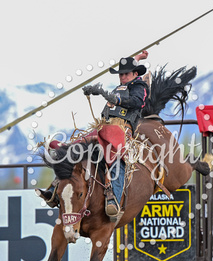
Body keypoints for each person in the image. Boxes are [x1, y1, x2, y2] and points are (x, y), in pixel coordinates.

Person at [37, 51, 149, 218]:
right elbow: (125, 78)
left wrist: (111, 97)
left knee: (115, 157)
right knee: (73, 151)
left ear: (134, 74)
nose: (122, 77)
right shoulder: (123, 87)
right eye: (121, 74)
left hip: (121, 130)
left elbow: (137, 102)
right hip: (103, 127)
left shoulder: (140, 87)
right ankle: (53, 189)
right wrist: (138, 58)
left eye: (126, 74)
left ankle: (114, 200)